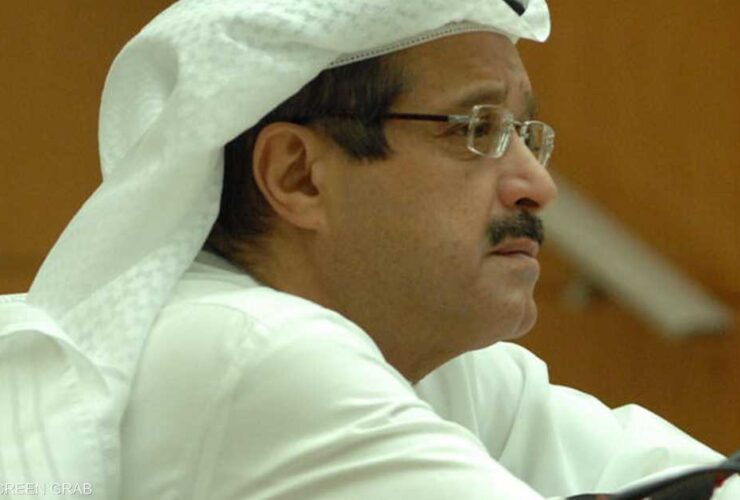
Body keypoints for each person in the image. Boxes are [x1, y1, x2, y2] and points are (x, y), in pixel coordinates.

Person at [1, 1, 737, 499]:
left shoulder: (446, 367)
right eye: (475, 129)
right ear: (298, 176)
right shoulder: (250, 351)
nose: (536, 186)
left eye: (524, 135)